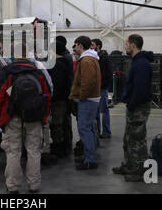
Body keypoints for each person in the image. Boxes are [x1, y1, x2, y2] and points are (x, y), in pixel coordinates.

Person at [0, 42, 51, 194]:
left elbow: (0, 97)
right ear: (27, 54)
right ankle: (34, 185)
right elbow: (46, 95)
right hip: (34, 117)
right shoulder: (37, 72)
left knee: (13, 152)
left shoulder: (7, 72)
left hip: (13, 117)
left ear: (14, 54)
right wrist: (44, 116)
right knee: (34, 151)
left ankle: (13, 187)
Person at [113, 34, 153, 182]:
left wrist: (131, 103)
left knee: (137, 139)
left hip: (138, 107)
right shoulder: (137, 61)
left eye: (127, 44)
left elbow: (141, 90)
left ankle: (138, 171)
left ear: (133, 45)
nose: (125, 46)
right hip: (134, 106)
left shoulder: (141, 64)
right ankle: (130, 165)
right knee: (128, 138)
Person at [69, 36, 101, 170]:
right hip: (91, 99)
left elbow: (88, 82)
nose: (74, 48)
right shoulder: (91, 58)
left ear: (80, 45)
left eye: (75, 45)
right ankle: (90, 155)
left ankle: (90, 159)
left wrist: (81, 96)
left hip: (87, 100)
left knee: (84, 129)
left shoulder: (86, 60)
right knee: (89, 128)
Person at [47, 41, 73, 158]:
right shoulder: (66, 62)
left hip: (58, 100)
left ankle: (59, 148)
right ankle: (66, 146)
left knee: (57, 124)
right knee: (64, 123)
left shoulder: (57, 65)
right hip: (65, 98)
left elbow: (56, 84)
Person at [91, 39, 113, 139]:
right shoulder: (93, 57)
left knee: (104, 110)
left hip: (102, 88)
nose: (91, 46)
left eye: (93, 45)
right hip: (95, 88)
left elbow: (107, 74)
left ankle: (107, 132)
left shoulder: (104, 58)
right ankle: (97, 131)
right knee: (95, 112)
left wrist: (102, 86)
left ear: (98, 46)